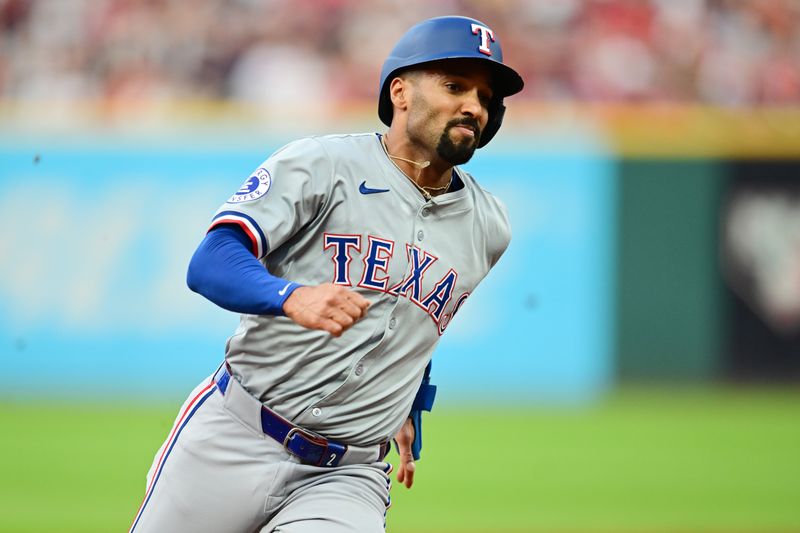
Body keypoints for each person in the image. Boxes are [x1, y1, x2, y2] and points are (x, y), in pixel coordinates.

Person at [129, 15, 523, 533]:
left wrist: (412, 407)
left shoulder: (488, 225)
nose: (474, 105)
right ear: (400, 92)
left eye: (485, 96)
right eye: (454, 86)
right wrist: (290, 296)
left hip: (347, 475)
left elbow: (417, 324)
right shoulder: (323, 163)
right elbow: (212, 259)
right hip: (233, 436)